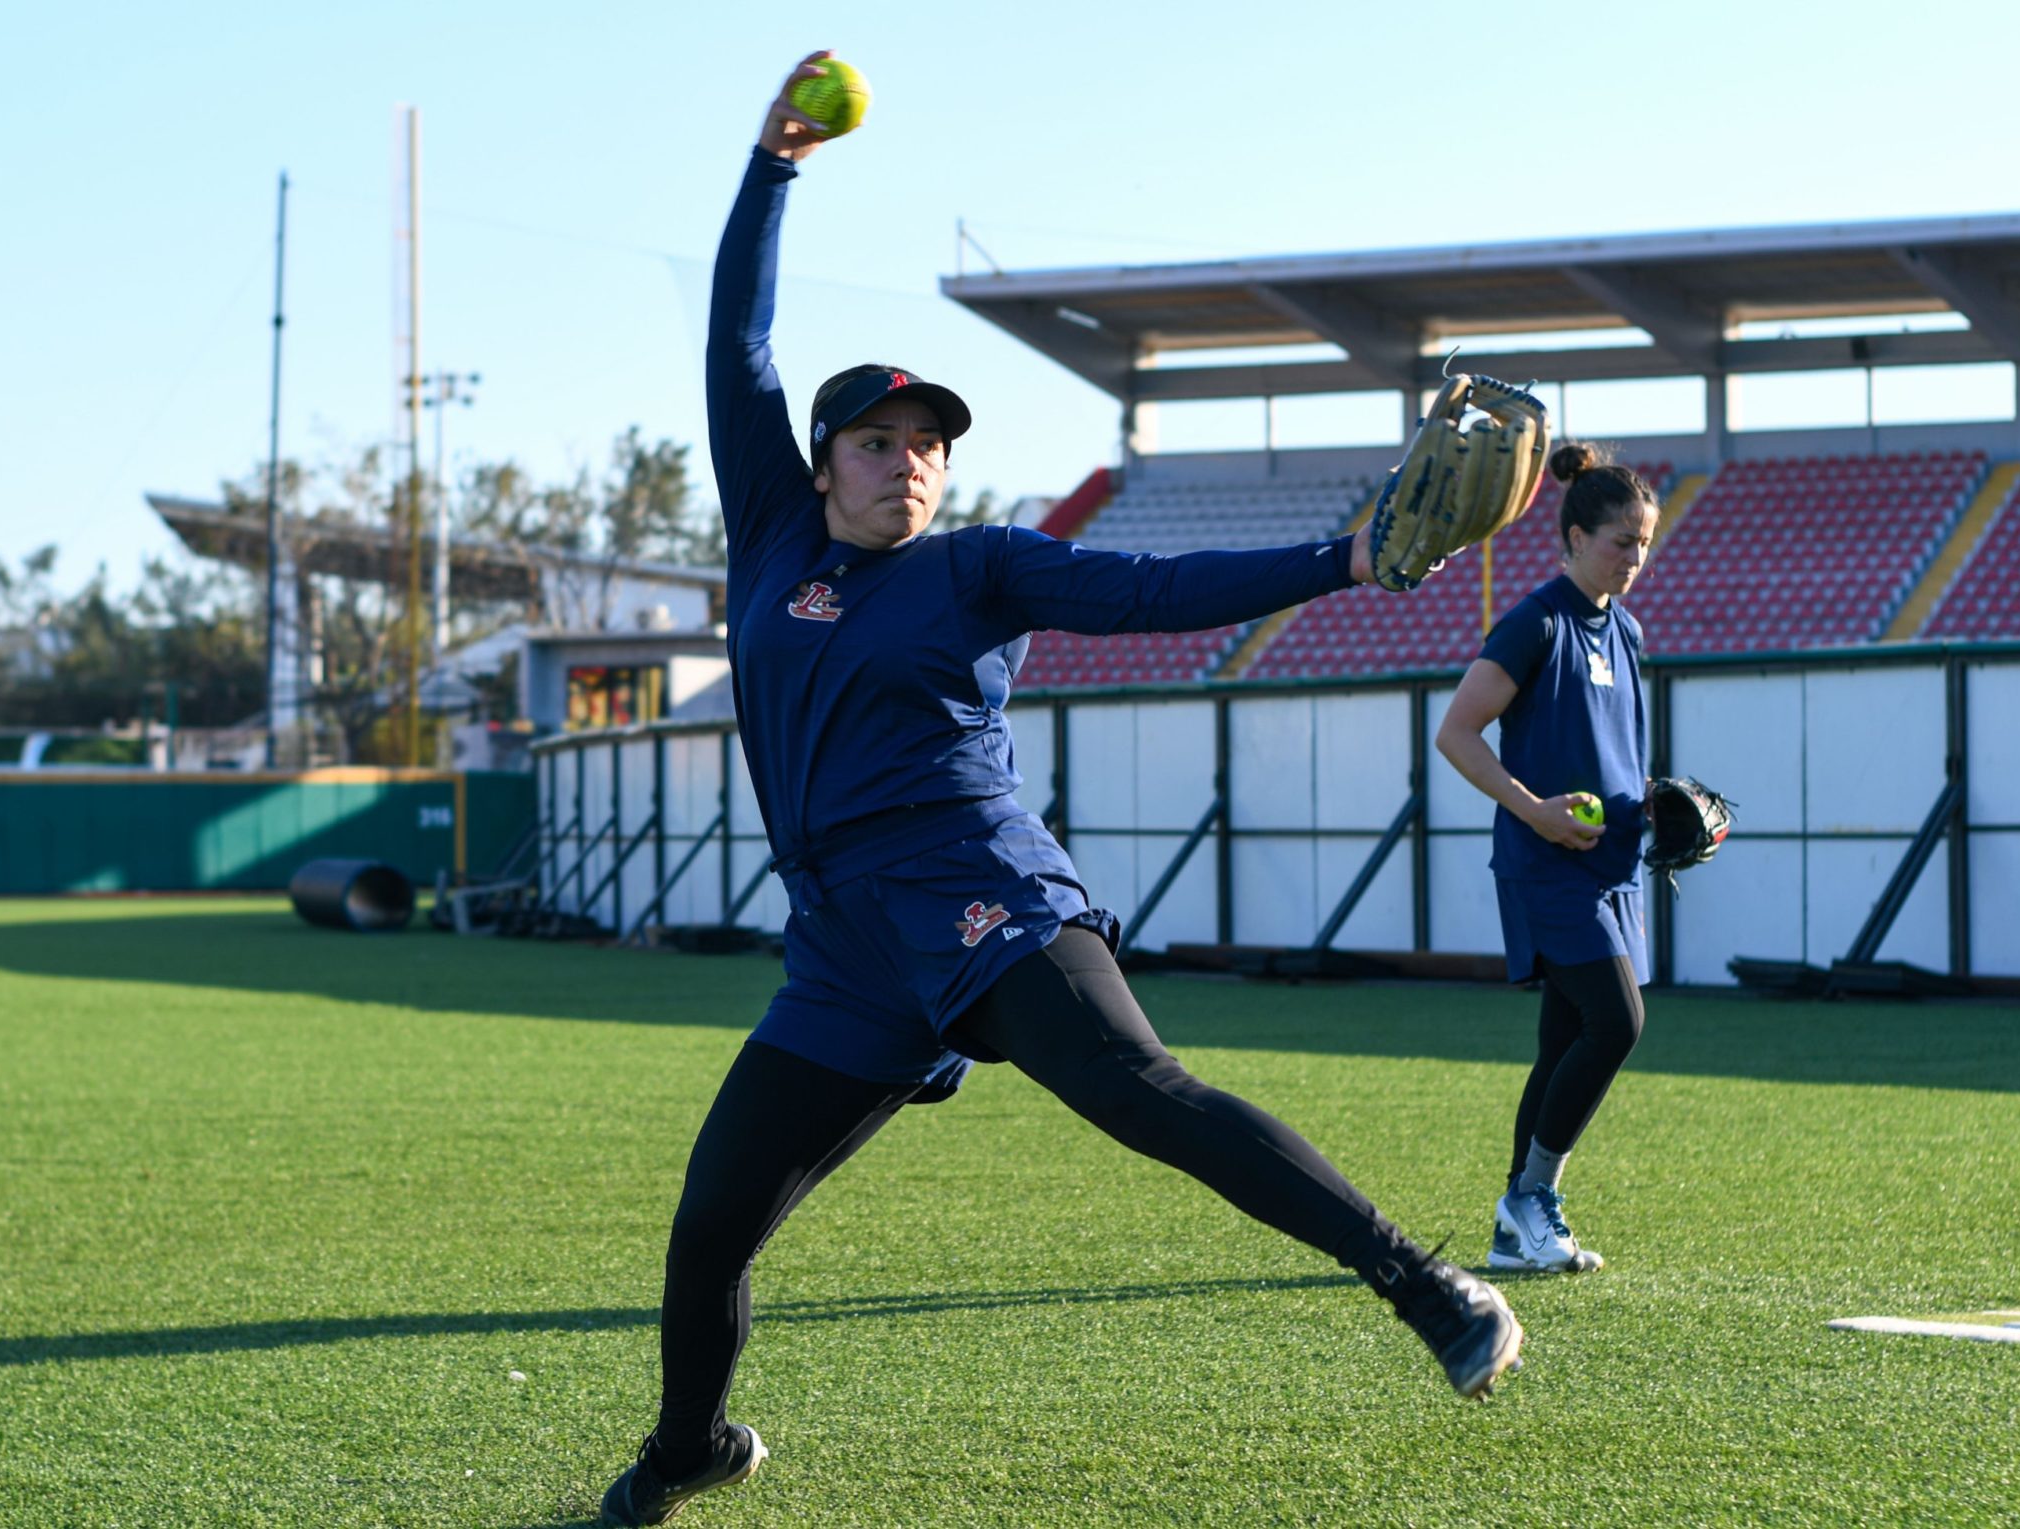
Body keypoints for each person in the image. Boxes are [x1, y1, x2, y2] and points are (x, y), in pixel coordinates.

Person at [600, 52, 1524, 1526]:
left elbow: (1157, 586)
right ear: (824, 462)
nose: (910, 460)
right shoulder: (775, 539)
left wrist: (1343, 558)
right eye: (880, 440)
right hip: (844, 942)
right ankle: (687, 1450)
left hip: (979, 882)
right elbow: (739, 340)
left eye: (931, 445)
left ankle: (1426, 1285)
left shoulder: (983, 564)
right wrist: (771, 170)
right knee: (712, 1226)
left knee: (1134, 1088)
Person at [1433, 443, 1660, 1276]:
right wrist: (1534, 810)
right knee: (1618, 1021)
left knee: (1566, 1037)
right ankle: (1530, 1200)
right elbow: (1456, 732)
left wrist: (1663, 813)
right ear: (1571, 537)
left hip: (1609, 868)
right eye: (1618, 542)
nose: (1634, 558)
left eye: (1643, 542)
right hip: (1545, 865)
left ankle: (1515, 1225)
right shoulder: (1535, 620)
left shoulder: (1627, 628)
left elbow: (1613, 756)